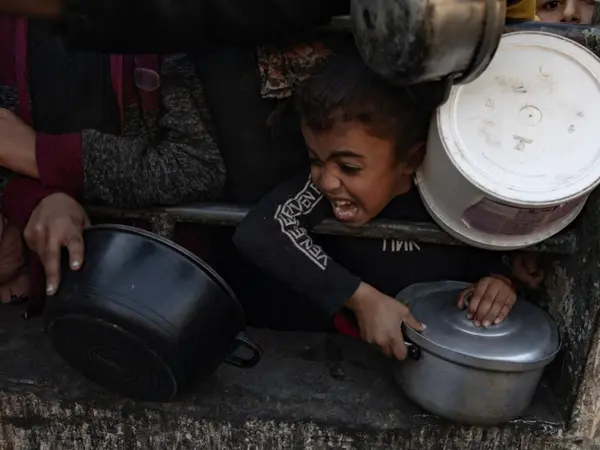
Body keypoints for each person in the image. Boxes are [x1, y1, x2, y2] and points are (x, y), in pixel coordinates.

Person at [233, 49, 543, 359]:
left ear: (412, 159)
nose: (326, 181)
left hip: (439, 356)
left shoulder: (453, 195)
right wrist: (362, 299)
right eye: (315, 160)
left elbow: (500, 255)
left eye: (349, 167)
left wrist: (500, 284)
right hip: (343, 353)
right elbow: (262, 231)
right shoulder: (319, 189)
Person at [0, 16, 226, 311]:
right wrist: (37, 199)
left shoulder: (161, 22)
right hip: (34, 298)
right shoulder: (9, 27)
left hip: (162, 296)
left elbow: (197, 166)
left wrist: (44, 156)